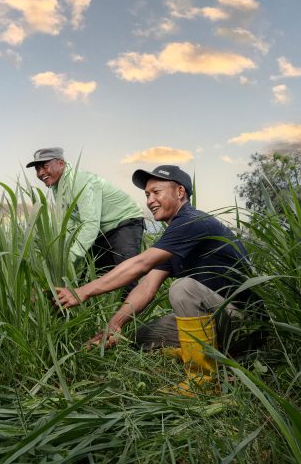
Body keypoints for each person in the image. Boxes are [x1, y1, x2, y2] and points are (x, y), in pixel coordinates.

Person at [54, 164, 259, 394]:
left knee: (183, 288)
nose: (150, 200)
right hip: (216, 315)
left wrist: (82, 291)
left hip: (243, 321)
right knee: (138, 338)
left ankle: (202, 380)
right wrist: (115, 326)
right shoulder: (173, 238)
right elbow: (147, 287)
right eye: (147, 195)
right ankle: (214, 352)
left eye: (156, 192)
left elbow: (140, 265)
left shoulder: (191, 221)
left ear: (180, 192)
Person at [27, 147, 145, 288]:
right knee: (90, 277)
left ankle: (133, 309)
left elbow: (90, 224)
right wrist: (62, 257)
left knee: (126, 275)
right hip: (102, 231)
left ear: (61, 164)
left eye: (45, 166)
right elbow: (69, 225)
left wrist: (69, 258)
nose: (40, 173)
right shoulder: (57, 188)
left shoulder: (79, 180)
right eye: (37, 169)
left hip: (124, 222)